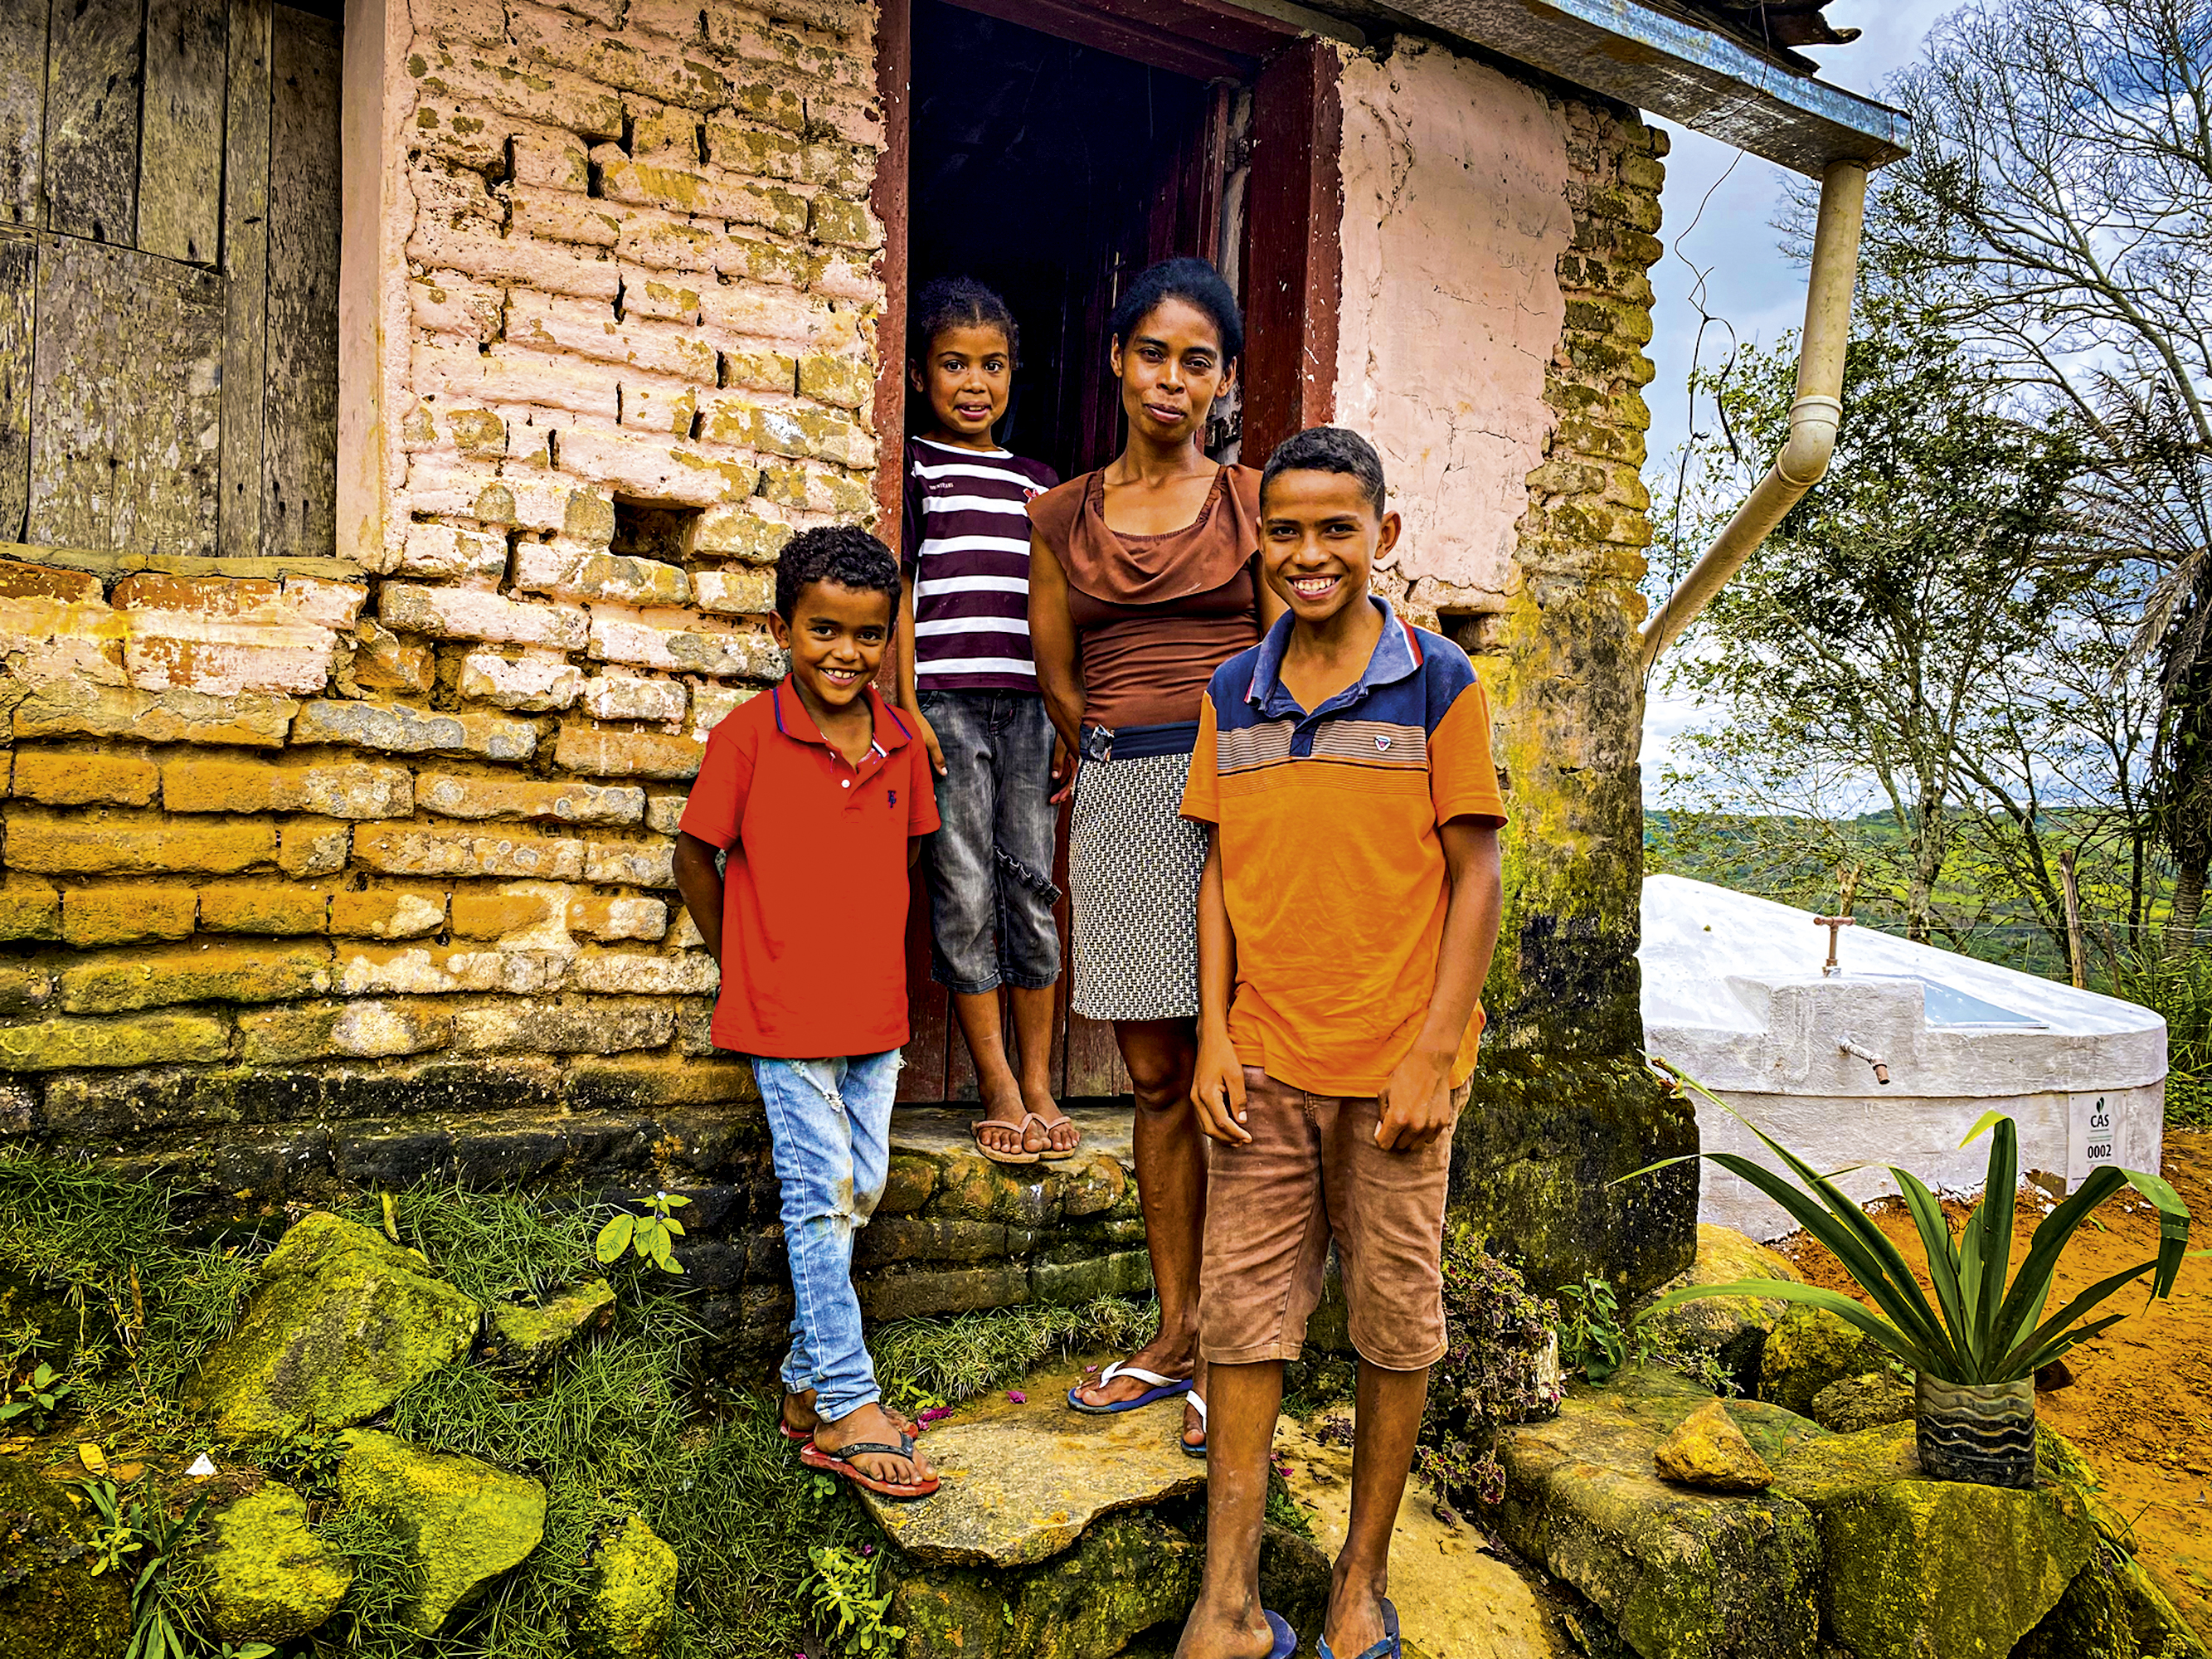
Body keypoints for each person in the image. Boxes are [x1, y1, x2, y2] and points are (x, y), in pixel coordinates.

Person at [1174, 427, 1507, 1659]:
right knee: (1241, 1320)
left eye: (1335, 529)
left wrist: (1430, 1050)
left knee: (1391, 1321)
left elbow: (1475, 877)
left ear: (1383, 537)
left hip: (1395, 1079)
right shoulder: (1230, 692)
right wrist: (1209, 1034)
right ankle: (1223, 1602)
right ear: (1257, 540)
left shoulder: (1438, 687)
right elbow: (1212, 875)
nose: (1308, 554)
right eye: (1285, 530)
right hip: (1258, 1064)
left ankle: (1356, 1579)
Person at [1029, 255, 1286, 1455]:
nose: (1169, 379)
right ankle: (1176, 1330)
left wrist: (1235, 767)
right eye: (1150, 352)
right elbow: (1058, 675)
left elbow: (1293, 651)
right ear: (1117, 359)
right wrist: (1128, 758)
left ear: (1224, 378)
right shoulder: (1060, 516)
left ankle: (1242, 1338)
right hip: (1127, 797)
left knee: (1245, 1074)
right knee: (1150, 1076)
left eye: (1196, 359)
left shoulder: (1248, 506)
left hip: (1245, 801)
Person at [672, 526, 944, 1501]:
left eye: (869, 635)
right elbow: (694, 857)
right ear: (781, 627)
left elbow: (910, 857)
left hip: (875, 1014)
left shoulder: (903, 742)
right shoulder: (747, 735)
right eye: (823, 629)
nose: (845, 652)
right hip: (781, 1015)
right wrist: (742, 957)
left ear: (889, 638)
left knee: (861, 1189)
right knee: (820, 1192)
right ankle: (844, 1400)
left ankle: (799, 1382)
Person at [896, 275, 1077, 1166]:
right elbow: (899, 595)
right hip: (946, 706)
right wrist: (906, 706)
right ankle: (997, 1085)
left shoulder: (1038, 484)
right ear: (922, 374)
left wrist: (1068, 714)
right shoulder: (913, 471)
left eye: (993, 364)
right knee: (964, 892)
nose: (976, 382)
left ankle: (1040, 1081)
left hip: (1030, 710)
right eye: (954, 364)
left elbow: (1058, 608)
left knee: (1032, 893)